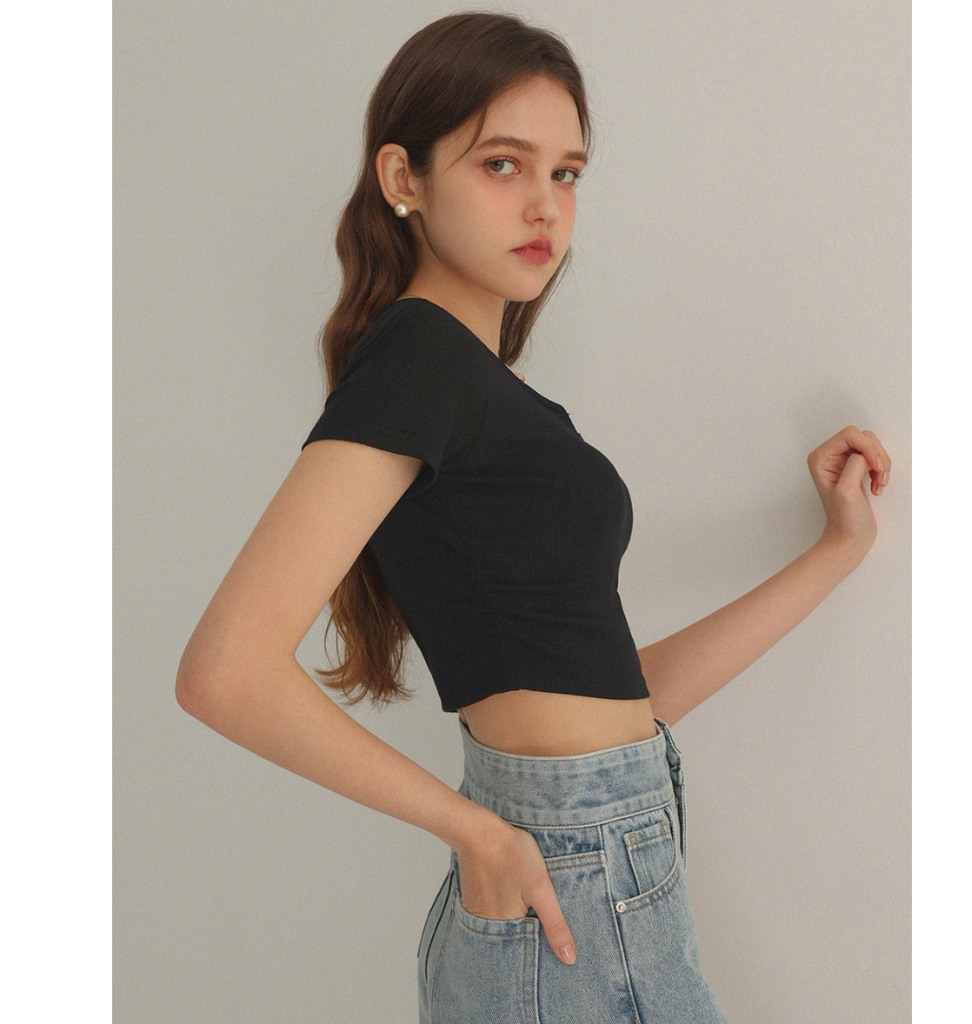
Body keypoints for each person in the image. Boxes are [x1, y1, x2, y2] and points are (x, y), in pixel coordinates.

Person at [176, 11, 892, 1024]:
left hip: (600, 860)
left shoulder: (483, 391)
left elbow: (616, 705)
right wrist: (478, 830)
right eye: (502, 164)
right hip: (568, 885)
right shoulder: (421, 359)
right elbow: (224, 672)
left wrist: (835, 553)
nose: (545, 205)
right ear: (404, 177)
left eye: (567, 173)